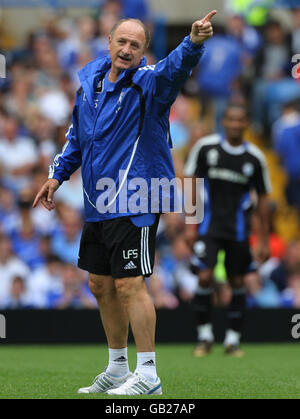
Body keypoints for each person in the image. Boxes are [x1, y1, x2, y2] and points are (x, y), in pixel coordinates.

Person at [33, 13, 216, 396]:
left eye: (135, 45)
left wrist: (193, 43)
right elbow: (76, 139)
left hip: (137, 197)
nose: (127, 49)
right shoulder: (89, 86)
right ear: (109, 43)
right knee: (100, 284)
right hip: (98, 201)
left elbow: (174, 70)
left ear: (143, 51)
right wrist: (56, 175)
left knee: (131, 283)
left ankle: (148, 374)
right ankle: (118, 367)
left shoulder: (150, 84)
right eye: (122, 42)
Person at [184, 103, 271, 357]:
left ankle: (233, 340)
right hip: (209, 227)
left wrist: (263, 239)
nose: (235, 124)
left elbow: (263, 200)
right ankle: (204, 337)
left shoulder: (255, 158)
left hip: (239, 231)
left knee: (237, 281)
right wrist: (191, 225)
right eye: (230, 119)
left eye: (240, 120)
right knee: (204, 277)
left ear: (246, 124)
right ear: (224, 122)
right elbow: (190, 182)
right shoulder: (206, 148)